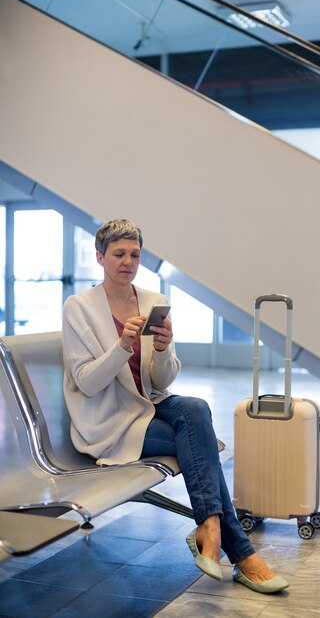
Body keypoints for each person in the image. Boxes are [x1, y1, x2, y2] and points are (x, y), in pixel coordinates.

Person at [62, 218, 289, 594]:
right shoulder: (79, 307)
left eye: (134, 254)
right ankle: (237, 548)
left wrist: (164, 350)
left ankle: (211, 530)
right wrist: (122, 346)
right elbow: (87, 382)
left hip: (149, 405)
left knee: (196, 409)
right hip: (110, 421)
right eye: (118, 254)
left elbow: (164, 382)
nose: (127, 261)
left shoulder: (154, 301)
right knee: (199, 443)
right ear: (100, 257)